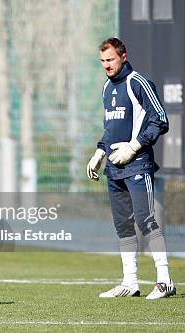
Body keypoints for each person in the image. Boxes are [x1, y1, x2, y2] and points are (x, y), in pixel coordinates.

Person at [86, 37, 174, 299]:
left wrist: (134, 146)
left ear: (123, 56)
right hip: (114, 169)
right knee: (122, 225)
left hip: (137, 164)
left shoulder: (138, 83)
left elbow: (160, 120)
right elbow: (111, 128)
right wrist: (100, 151)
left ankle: (165, 281)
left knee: (145, 220)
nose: (106, 65)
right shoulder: (106, 88)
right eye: (102, 61)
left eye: (110, 59)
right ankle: (130, 282)